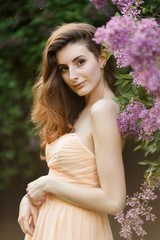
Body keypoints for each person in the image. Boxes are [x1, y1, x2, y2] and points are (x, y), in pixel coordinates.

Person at [18, 23, 126, 240]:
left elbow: (114, 201)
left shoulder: (103, 110)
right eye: (64, 68)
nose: (72, 75)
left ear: (102, 58)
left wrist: (48, 185)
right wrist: (29, 198)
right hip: (51, 225)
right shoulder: (82, 110)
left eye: (80, 62)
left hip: (76, 229)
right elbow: (64, 178)